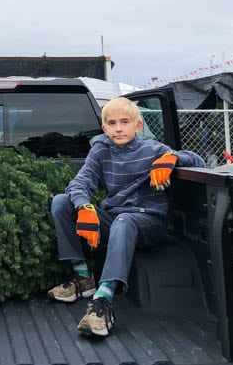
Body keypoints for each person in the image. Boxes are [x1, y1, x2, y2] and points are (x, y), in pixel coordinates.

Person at [47, 96, 205, 337]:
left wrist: (173, 159)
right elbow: (80, 183)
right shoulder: (100, 151)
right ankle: (83, 278)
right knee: (61, 201)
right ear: (104, 128)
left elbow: (199, 161)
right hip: (117, 218)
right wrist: (83, 207)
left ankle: (103, 300)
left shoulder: (154, 150)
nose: (118, 128)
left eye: (125, 122)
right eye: (112, 123)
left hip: (149, 222)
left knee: (124, 220)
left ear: (137, 126)